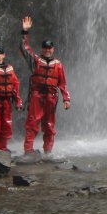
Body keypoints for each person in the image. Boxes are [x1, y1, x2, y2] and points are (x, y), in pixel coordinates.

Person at [19, 16, 71, 155]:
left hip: (51, 97)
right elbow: (25, 49)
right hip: (37, 96)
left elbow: (63, 83)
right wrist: (25, 32)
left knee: (49, 126)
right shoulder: (35, 61)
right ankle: (28, 151)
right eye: (45, 48)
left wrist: (66, 99)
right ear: (42, 49)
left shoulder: (58, 65)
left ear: (53, 49)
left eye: (49, 48)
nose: (47, 50)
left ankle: (48, 151)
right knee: (32, 123)